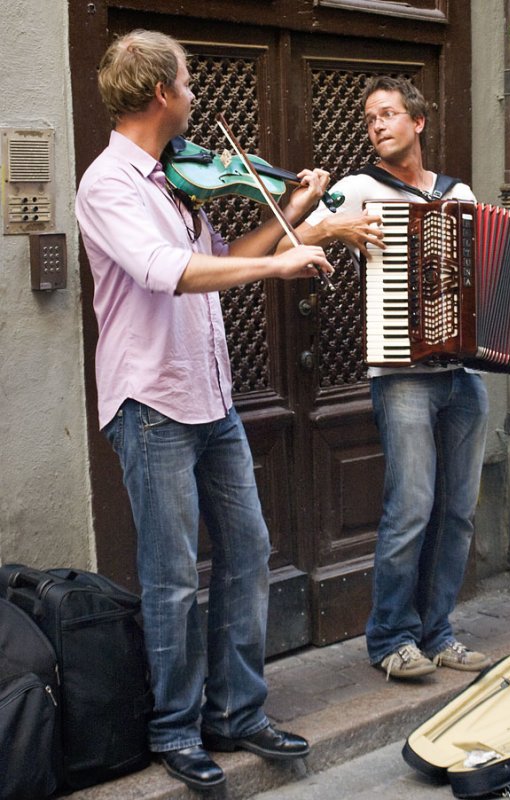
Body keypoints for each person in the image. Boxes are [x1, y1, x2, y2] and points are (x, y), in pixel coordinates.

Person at [75, 29, 333, 794]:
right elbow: (164, 273)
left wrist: (291, 210)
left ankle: (238, 711)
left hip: (209, 396)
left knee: (249, 550)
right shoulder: (109, 185)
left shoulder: (176, 183)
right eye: (188, 82)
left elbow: (232, 259)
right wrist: (286, 257)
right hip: (150, 401)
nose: (194, 95)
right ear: (162, 93)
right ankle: (176, 729)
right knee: (171, 575)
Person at [290, 75, 510, 681]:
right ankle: (389, 637)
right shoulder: (359, 188)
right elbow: (294, 236)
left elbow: (502, 282)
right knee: (411, 506)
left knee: (458, 511)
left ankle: (437, 632)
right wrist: (335, 227)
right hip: (402, 376)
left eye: (388, 114)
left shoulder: (459, 193)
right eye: (370, 119)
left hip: (463, 377)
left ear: (418, 122)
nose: (377, 125)